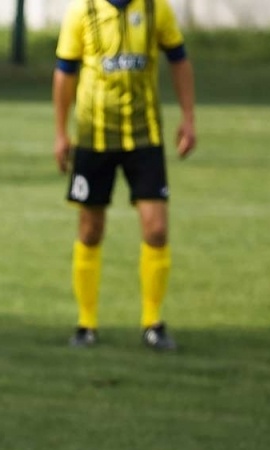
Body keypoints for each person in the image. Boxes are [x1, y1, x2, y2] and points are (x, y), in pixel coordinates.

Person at [53, 0, 195, 350]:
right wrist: (60, 132)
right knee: (90, 229)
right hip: (93, 137)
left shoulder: (154, 8)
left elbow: (178, 59)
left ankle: (153, 322)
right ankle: (86, 324)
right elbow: (64, 72)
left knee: (157, 229)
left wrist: (189, 118)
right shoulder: (81, 11)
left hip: (144, 136)